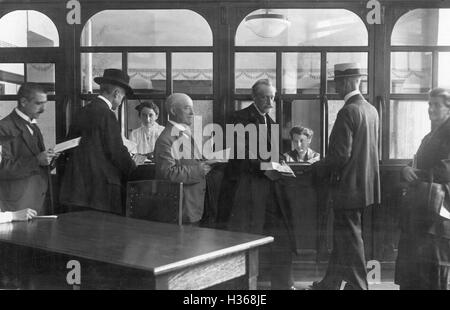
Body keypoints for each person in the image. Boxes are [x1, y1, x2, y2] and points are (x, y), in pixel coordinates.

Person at [221, 79, 298, 290]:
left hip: (271, 188)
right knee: (246, 236)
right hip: (247, 189)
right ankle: (243, 288)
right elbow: (239, 155)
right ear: (254, 96)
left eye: (272, 97)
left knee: (281, 234)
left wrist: (281, 160)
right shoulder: (238, 118)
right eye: (265, 97)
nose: (270, 101)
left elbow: (271, 153)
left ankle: (283, 284)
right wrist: (267, 164)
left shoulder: (271, 123)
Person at [310, 63, 380, 290]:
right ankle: (329, 284)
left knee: (350, 241)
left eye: (338, 83)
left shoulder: (348, 111)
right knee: (345, 238)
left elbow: (339, 156)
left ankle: (360, 287)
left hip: (348, 189)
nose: (337, 88)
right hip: (365, 187)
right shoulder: (370, 109)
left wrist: (315, 167)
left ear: (347, 82)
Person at [59, 69, 137, 215]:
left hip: (77, 190)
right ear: (116, 94)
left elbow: (70, 146)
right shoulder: (107, 115)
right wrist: (134, 168)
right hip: (101, 192)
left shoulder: (81, 111)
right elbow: (117, 152)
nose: (121, 102)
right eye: (123, 97)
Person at [395, 88, 450, 290]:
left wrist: (415, 174)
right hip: (422, 207)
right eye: (429, 104)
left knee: (434, 267)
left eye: (436, 105)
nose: (431, 109)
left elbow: (446, 169)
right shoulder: (430, 135)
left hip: (439, 212)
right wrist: (406, 168)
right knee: (415, 268)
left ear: (449, 107)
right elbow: (418, 160)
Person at [154, 93, 211, 225]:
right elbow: (167, 173)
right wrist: (199, 170)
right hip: (183, 209)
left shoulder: (184, 132)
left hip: (193, 205)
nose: (193, 112)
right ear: (173, 111)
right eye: (187, 108)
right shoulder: (166, 139)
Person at [0, 83, 57, 215]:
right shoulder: (3, 127)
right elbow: (2, 168)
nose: (43, 109)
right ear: (23, 102)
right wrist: (36, 160)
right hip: (18, 206)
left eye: (45, 103)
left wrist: (49, 159)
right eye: (38, 103)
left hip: (37, 201)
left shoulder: (33, 125)